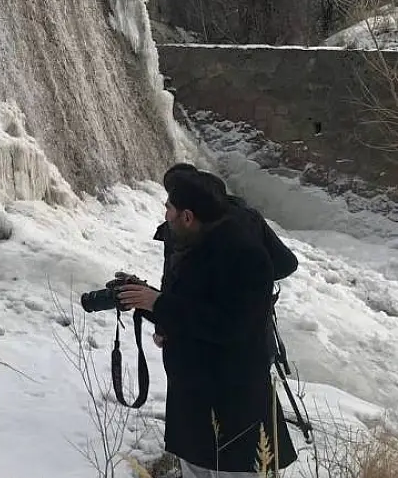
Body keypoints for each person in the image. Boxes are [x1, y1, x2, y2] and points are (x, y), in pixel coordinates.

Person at [119, 170, 298, 477]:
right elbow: (191, 307)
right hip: (196, 405)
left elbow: (230, 326)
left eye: (169, 209)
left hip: (231, 409)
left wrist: (158, 303)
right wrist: (146, 301)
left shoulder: (244, 254)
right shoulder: (196, 246)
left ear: (187, 216)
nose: (166, 216)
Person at [151, 163, 298, 355]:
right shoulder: (247, 216)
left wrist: (163, 325)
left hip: (201, 342)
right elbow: (286, 263)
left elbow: (171, 279)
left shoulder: (182, 228)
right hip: (255, 337)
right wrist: (255, 291)